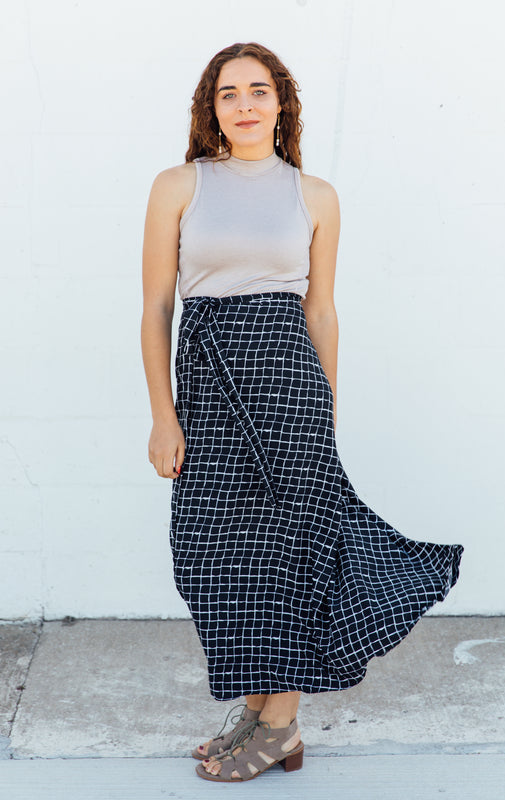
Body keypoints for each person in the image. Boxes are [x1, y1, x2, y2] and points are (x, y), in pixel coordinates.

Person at [141, 41, 464, 784]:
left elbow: (320, 310)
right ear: (210, 108)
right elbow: (158, 304)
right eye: (229, 93)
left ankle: (278, 721)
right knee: (213, 551)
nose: (245, 104)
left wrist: (328, 413)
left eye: (259, 90)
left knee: (289, 550)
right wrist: (163, 415)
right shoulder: (176, 185)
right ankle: (259, 710)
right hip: (209, 375)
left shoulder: (314, 195)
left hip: (289, 383)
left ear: (282, 103)